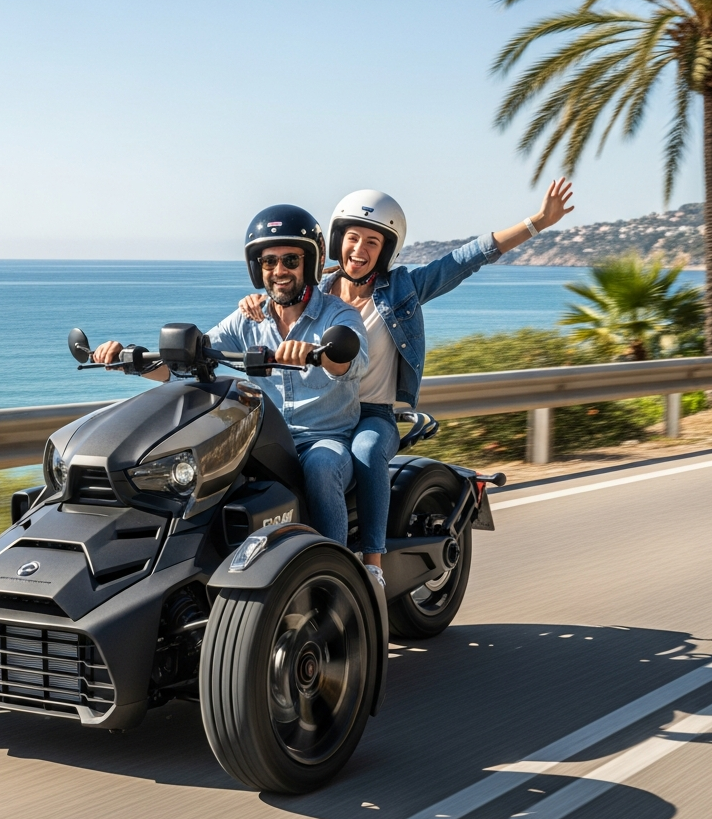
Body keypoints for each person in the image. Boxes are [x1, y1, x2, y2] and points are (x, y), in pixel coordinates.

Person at [240, 180, 575, 589]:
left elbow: (465, 259)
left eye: (372, 242)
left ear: (387, 250)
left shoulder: (403, 290)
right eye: (352, 238)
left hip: (373, 414)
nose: (359, 250)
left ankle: (372, 565)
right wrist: (253, 301)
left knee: (366, 450)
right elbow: (278, 292)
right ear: (337, 240)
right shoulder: (317, 290)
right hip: (324, 413)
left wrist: (537, 222)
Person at [91, 203, 369, 544]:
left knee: (321, 468)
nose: (279, 270)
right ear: (257, 267)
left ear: (309, 262)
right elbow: (190, 362)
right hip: (266, 439)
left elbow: (355, 363)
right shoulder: (247, 320)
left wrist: (321, 354)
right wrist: (127, 359)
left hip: (323, 440)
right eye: (269, 261)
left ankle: (334, 565)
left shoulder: (339, 315)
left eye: (290, 260)